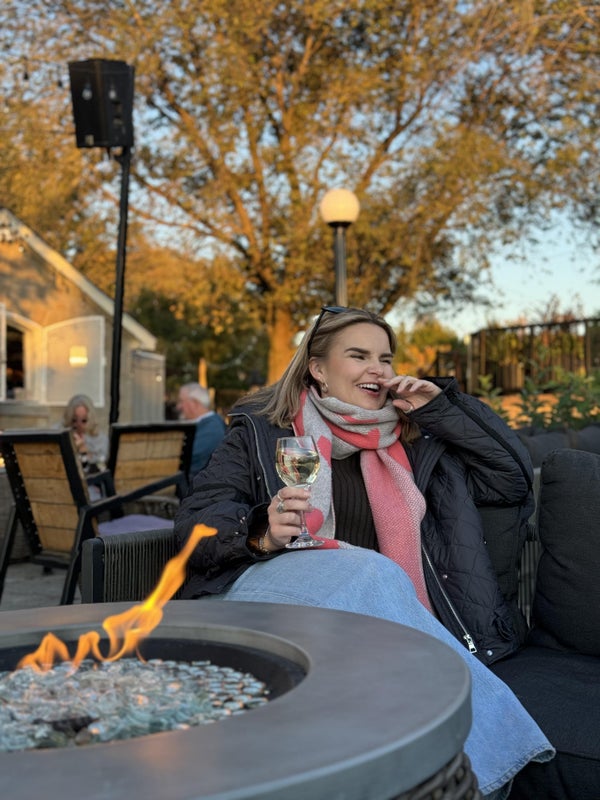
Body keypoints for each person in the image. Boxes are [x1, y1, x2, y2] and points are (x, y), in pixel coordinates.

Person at [174, 306, 554, 799]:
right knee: (370, 572)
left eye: (385, 358)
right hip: (266, 595)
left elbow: (510, 478)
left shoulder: (416, 439)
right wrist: (259, 530)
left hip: (366, 618)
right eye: (358, 356)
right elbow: (197, 521)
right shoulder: (264, 432)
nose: (377, 368)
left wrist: (440, 409)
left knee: (372, 583)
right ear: (318, 368)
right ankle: (487, 768)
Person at [176, 382, 227, 476]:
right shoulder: (208, 425)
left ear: (194, 403)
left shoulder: (212, 429)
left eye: (181, 401)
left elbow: (185, 461)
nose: (178, 406)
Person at [61, 393, 109, 474]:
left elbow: (101, 469)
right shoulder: (62, 435)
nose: (79, 425)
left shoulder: (101, 440)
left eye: (84, 420)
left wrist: (84, 452)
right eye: (74, 420)